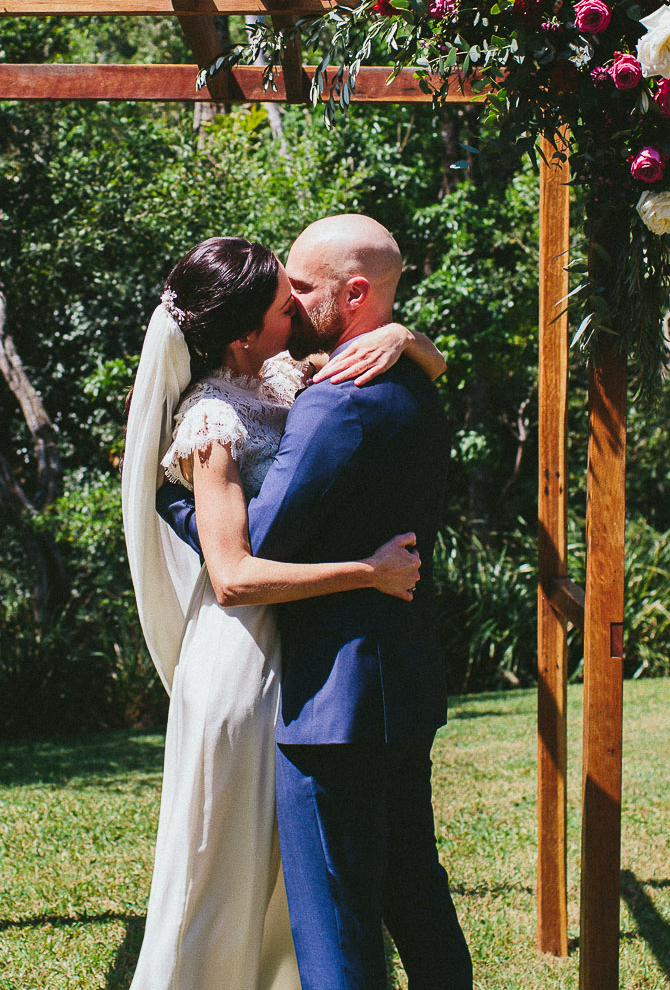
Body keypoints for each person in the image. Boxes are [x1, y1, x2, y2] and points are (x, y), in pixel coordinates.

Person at [120, 233, 448, 990]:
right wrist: (367, 572)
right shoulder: (210, 417)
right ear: (243, 331)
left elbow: (405, 360)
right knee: (224, 877)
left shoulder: (278, 374)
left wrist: (406, 336)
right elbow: (232, 575)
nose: (295, 307)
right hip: (241, 658)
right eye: (282, 301)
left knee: (291, 892)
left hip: (292, 653)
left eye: (298, 291)